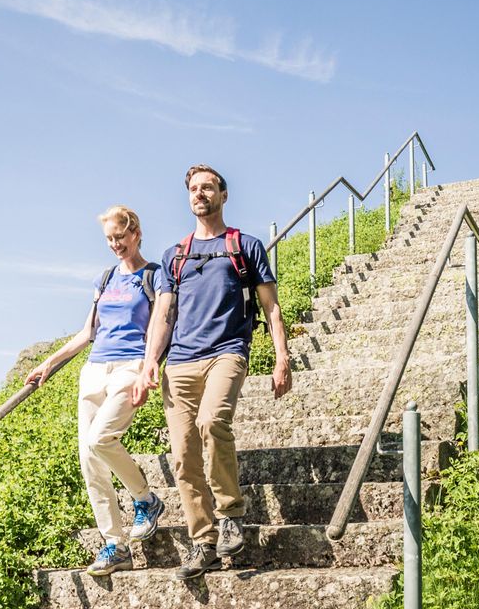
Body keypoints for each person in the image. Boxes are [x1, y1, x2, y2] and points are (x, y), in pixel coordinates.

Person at [130, 164, 292, 580]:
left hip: (227, 351)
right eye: (194, 189)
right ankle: (202, 541)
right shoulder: (174, 255)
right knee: (183, 456)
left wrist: (281, 357)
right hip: (180, 362)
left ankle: (230, 515)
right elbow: (164, 313)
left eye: (208, 188)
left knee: (212, 421)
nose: (200, 194)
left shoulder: (246, 246)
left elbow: (270, 306)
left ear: (223, 195)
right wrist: (150, 360)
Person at [26, 205, 169, 576]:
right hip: (94, 369)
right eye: (108, 239)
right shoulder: (104, 279)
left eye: (120, 236)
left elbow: (161, 326)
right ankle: (115, 545)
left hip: (130, 366)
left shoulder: (154, 276)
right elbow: (87, 332)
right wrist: (49, 362)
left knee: (100, 440)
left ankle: (145, 499)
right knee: (89, 462)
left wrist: (150, 367)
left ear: (135, 232)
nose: (115, 244)